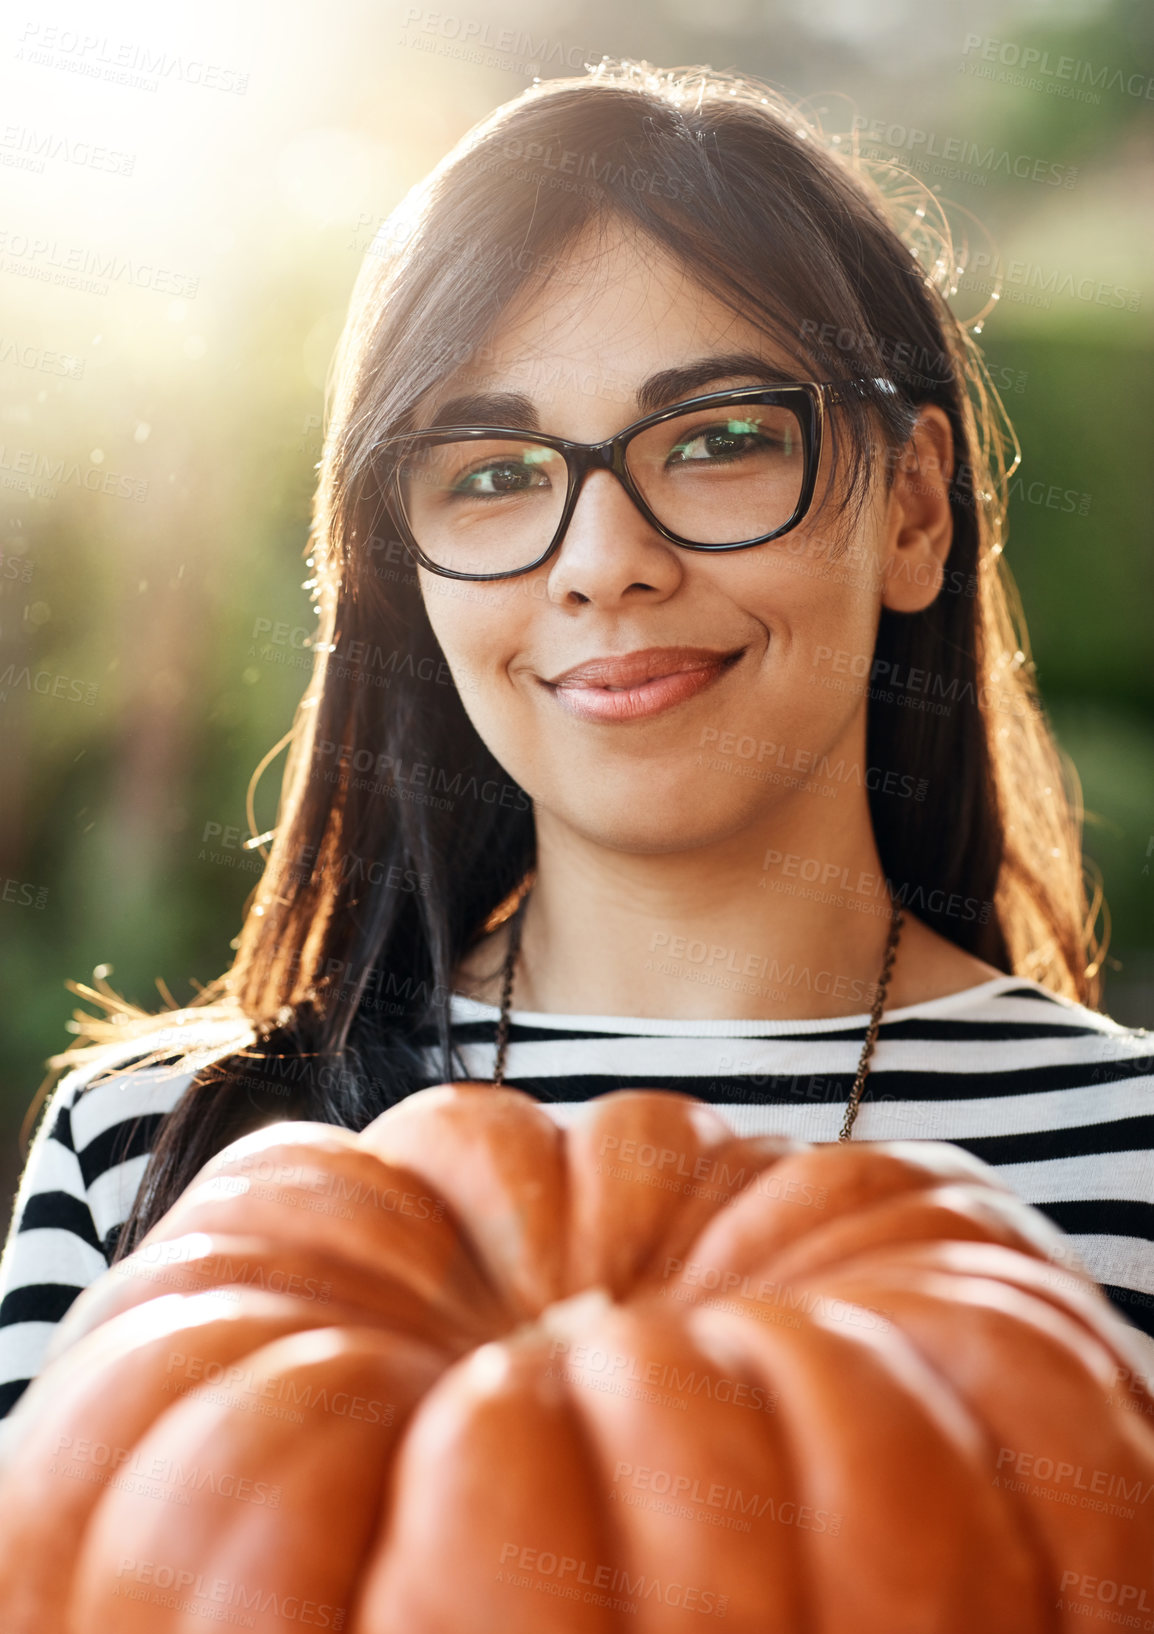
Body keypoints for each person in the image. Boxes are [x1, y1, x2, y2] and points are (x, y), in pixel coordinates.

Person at [2, 58, 1152, 1431]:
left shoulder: (1129, 1162)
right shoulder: (152, 1157)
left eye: (719, 440)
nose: (603, 565)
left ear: (910, 509)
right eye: (491, 476)